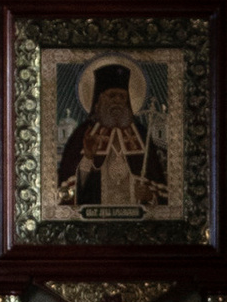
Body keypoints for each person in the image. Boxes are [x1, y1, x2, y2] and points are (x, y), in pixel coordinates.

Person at [55, 60, 168, 214]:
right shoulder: (83, 134)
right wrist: (88, 157)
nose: (118, 101)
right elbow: (68, 192)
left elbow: (162, 192)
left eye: (122, 97)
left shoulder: (141, 135)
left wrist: (150, 196)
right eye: (112, 95)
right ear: (99, 100)